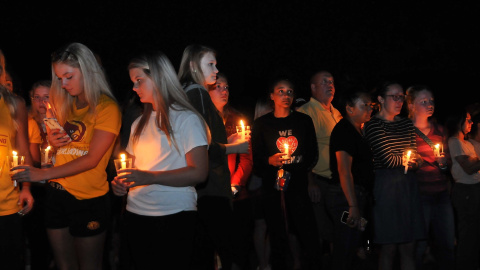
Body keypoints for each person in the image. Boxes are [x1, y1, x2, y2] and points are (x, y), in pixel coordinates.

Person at [12, 42, 121, 270]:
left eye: (68, 76)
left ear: (88, 70)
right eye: (59, 78)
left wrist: (43, 173)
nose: (63, 84)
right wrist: (51, 142)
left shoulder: (106, 107)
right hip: (56, 194)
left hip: (88, 198)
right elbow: (59, 151)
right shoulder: (65, 105)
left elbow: (91, 159)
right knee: (64, 265)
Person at [110, 51, 209, 269]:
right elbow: (133, 171)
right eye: (132, 83)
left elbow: (199, 172)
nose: (134, 88)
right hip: (135, 214)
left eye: (139, 81)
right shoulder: (138, 123)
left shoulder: (187, 119)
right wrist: (121, 184)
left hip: (174, 216)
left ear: (159, 77)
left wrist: (148, 176)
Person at [178, 44, 249, 270]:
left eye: (216, 64)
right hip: (210, 189)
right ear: (192, 65)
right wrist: (233, 149)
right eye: (210, 64)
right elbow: (202, 148)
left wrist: (229, 142)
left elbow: (196, 139)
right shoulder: (198, 93)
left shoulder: (186, 92)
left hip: (204, 189)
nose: (216, 69)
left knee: (204, 250)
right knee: (224, 252)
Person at [251, 78, 321, 269]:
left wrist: (297, 168)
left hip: (298, 187)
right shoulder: (262, 124)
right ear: (272, 96)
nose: (286, 95)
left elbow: (313, 153)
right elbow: (255, 159)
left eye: (290, 92)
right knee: (277, 235)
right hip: (273, 191)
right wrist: (269, 161)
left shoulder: (303, 121)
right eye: (281, 91)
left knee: (308, 234)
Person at [364, 81, 425, 270]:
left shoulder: (406, 123)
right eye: (394, 97)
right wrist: (408, 159)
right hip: (387, 187)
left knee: (409, 246)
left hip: (408, 186)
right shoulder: (373, 125)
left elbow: (414, 154)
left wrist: (416, 161)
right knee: (388, 246)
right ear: (381, 99)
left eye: (402, 97)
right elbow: (388, 159)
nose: (399, 101)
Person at [405, 85, 455, 270]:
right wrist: (410, 164)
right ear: (411, 105)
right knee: (419, 244)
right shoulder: (405, 131)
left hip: (441, 193)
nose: (429, 104)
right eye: (423, 101)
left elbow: (447, 163)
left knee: (447, 243)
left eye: (431, 100)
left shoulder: (440, 130)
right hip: (419, 195)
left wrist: (443, 163)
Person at [209, 73, 255, 269]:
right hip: (210, 190)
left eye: (226, 87)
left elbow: (246, 157)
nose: (224, 91)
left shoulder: (236, 119)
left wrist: (236, 183)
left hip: (236, 193)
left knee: (239, 243)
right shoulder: (201, 121)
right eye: (218, 86)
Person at [326, 86, 374, 270]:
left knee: (351, 245)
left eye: (371, 105)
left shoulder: (358, 131)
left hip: (354, 195)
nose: (370, 109)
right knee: (344, 247)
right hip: (344, 197)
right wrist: (352, 205)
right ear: (349, 108)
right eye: (365, 105)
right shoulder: (344, 131)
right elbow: (344, 170)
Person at [297, 70, 342, 252]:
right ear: (313, 88)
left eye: (332, 82)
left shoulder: (336, 112)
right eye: (324, 82)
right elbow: (303, 150)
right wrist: (310, 181)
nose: (330, 85)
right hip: (319, 181)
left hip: (339, 180)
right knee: (321, 227)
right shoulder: (305, 112)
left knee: (343, 221)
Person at [0, 48, 34, 270]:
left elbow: (23, 152)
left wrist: (26, 187)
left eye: (1, 67)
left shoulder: (14, 104)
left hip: (7, 205)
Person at [24, 80, 55, 269]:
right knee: (37, 239)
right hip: (36, 188)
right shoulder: (26, 122)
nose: (41, 103)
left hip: (58, 185)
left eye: (47, 97)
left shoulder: (62, 121)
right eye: (37, 97)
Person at [445, 109, 480, 270]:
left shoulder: (468, 143)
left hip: (474, 189)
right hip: (466, 191)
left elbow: (474, 163)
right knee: (467, 234)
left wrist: (475, 160)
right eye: (467, 119)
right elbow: (469, 168)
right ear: (458, 122)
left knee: (474, 233)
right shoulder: (454, 142)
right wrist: (474, 161)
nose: (471, 123)